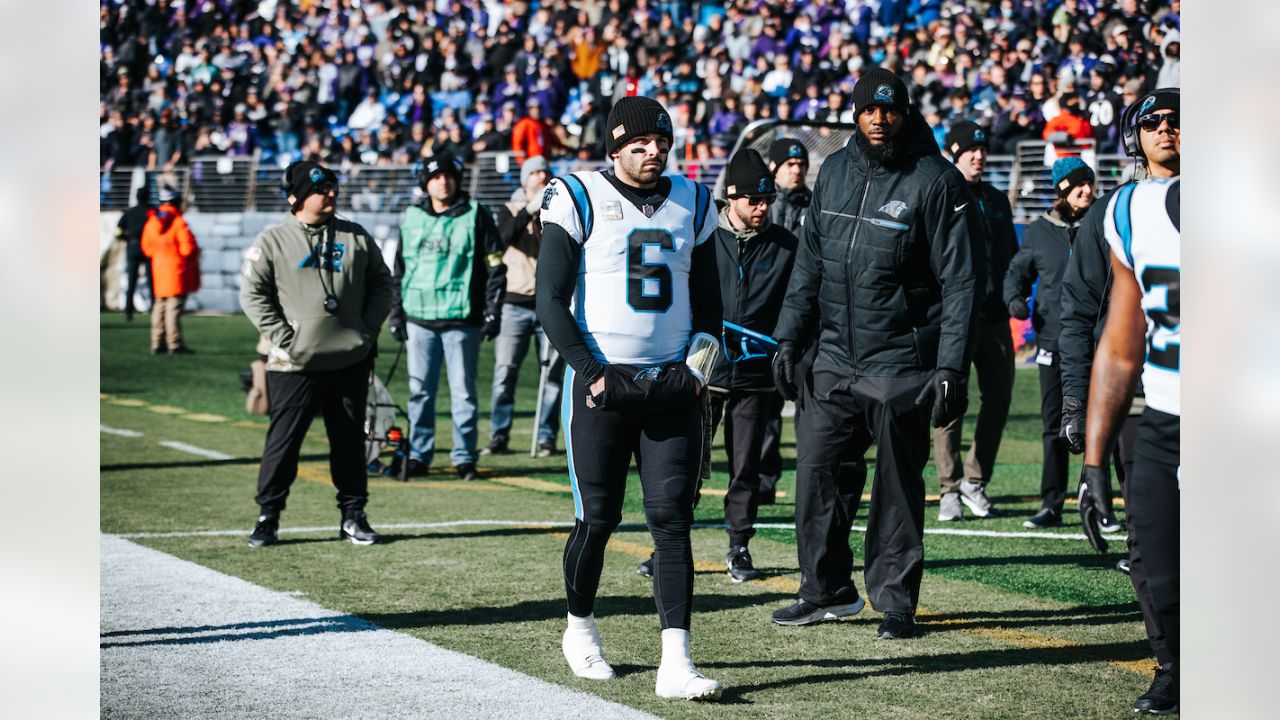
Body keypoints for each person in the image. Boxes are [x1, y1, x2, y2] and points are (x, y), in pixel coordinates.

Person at [769, 68, 978, 638]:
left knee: (896, 486)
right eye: (868, 110)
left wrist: (951, 366)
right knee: (815, 476)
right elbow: (809, 262)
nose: (879, 120)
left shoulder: (936, 181)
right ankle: (826, 589)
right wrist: (790, 337)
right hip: (832, 358)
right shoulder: (833, 170)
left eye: (889, 110)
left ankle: (895, 603)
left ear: (905, 115)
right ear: (854, 115)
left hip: (901, 364)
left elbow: (961, 283)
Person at [537, 95, 724, 700]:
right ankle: (580, 628)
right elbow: (549, 301)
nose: (653, 152)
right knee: (599, 518)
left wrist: (697, 371)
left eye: (661, 143)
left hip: (671, 382)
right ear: (614, 146)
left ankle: (677, 662)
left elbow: (713, 306)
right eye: (640, 143)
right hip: (603, 384)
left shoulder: (693, 200)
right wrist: (591, 372)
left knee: (672, 523)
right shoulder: (579, 195)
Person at [1057, 88, 1180, 714]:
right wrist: (1088, 438)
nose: (1168, 129)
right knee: (1154, 553)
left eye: (1179, 119)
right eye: (1154, 120)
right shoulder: (1122, 211)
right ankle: (1175, 665)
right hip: (1154, 407)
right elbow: (1101, 329)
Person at [239, 161, 394, 548]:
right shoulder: (273, 240)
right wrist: (284, 338)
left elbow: (382, 284)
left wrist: (367, 329)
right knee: (284, 441)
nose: (330, 194)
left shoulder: (356, 236)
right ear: (296, 196)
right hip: (293, 364)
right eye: (320, 188)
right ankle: (268, 516)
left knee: (349, 442)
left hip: (349, 359)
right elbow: (252, 295)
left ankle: (353, 516)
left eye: (332, 187)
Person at [1085, 175, 1181, 715]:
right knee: (1162, 580)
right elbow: (1122, 348)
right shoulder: (1133, 210)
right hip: (1167, 423)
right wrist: (1095, 459)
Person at [705, 148, 798, 581]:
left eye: (768, 201)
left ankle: (739, 545)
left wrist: (786, 348)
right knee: (684, 463)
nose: (762, 208)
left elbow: (798, 307)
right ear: (731, 198)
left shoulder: (786, 247)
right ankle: (668, 545)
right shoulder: (703, 239)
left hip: (758, 377)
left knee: (746, 466)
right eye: (753, 200)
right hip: (704, 374)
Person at [388, 153, 507, 481]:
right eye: (436, 176)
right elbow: (399, 269)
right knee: (419, 392)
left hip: (462, 320)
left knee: (464, 393)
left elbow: (496, 266)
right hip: (419, 319)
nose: (443, 181)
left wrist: (492, 311)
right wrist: (395, 313)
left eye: (449, 175)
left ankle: (464, 457)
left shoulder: (476, 215)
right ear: (425, 182)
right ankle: (419, 455)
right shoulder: (411, 217)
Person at [1004, 157, 1109, 529]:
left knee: (1099, 423)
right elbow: (1017, 271)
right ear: (1061, 189)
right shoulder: (1038, 232)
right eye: (1079, 184)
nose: (1087, 190)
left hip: (1097, 341)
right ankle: (1051, 503)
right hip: (1052, 340)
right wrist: (1014, 298)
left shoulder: (1101, 226)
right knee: (1055, 425)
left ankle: (1099, 502)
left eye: (1090, 183)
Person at [934, 121, 1018, 521]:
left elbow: (1011, 258)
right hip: (955, 318)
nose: (978, 156)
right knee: (950, 402)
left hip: (996, 317)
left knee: (999, 400)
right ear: (953, 151)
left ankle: (974, 480)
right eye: (970, 149)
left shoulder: (998, 200)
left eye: (982, 150)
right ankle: (949, 488)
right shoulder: (944, 194)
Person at [485, 156, 563, 457]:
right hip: (514, 302)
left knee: (551, 374)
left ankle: (546, 436)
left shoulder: (557, 211)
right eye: (535, 172)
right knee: (505, 371)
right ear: (525, 179)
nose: (541, 176)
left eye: (545, 171)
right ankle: (498, 434)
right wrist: (529, 211)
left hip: (550, 302)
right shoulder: (510, 209)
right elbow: (504, 238)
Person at [140, 185, 200, 355]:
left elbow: (147, 248)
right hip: (177, 271)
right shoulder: (178, 222)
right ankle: (174, 344)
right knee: (173, 309)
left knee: (159, 307)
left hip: (159, 270)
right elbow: (187, 249)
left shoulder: (152, 221)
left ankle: (156, 342)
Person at [115, 185, 153, 321]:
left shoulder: (129, 212)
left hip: (133, 246)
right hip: (149, 248)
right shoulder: (152, 211)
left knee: (131, 282)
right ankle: (155, 309)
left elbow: (118, 231)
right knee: (151, 281)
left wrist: (127, 239)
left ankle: (128, 311)